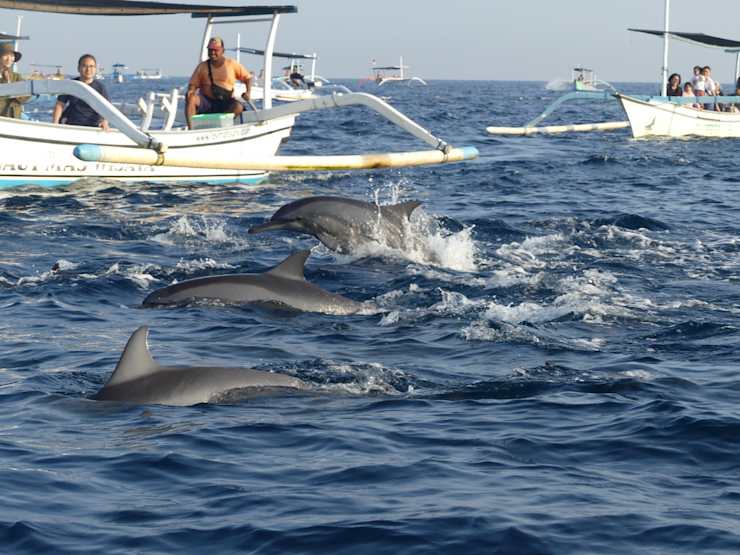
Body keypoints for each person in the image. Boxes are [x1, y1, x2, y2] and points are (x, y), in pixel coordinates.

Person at [185, 37, 251, 130]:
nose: (212, 53)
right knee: (191, 97)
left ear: (223, 50)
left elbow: (247, 77)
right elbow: (193, 83)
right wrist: (191, 90)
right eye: (210, 50)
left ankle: (219, 127)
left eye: (215, 50)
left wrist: (248, 92)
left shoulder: (232, 64)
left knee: (238, 107)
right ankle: (191, 130)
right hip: (207, 102)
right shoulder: (202, 66)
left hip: (226, 101)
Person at [52, 54, 110, 132]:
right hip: (71, 126)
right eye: (84, 66)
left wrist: (105, 122)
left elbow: (108, 109)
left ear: (95, 69)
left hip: (93, 127)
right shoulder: (71, 85)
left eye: (91, 66)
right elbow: (60, 105)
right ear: (78, 68)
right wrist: (54, 125)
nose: (88, 69)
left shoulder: (101, 88)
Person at [0, 42, 31, 119]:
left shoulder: (17, 78)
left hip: (13, 120)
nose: (9, 59)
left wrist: (12, 90)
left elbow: (27, 94)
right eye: (5, 55)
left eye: (11, 56)